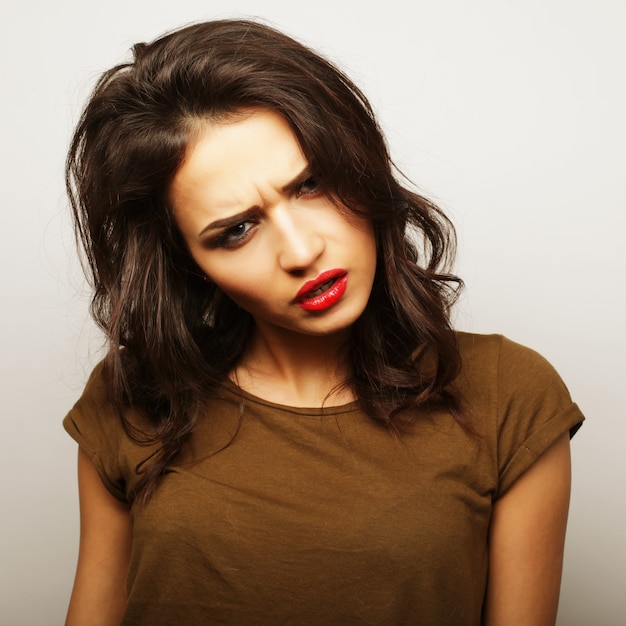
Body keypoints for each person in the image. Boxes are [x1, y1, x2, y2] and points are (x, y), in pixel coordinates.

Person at [63, 18, 584, 626]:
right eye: (236, 230)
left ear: (359, 164)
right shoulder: (135, 396)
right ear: (191, 263)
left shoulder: (508, 395)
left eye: (310, 185)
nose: (301, 250)